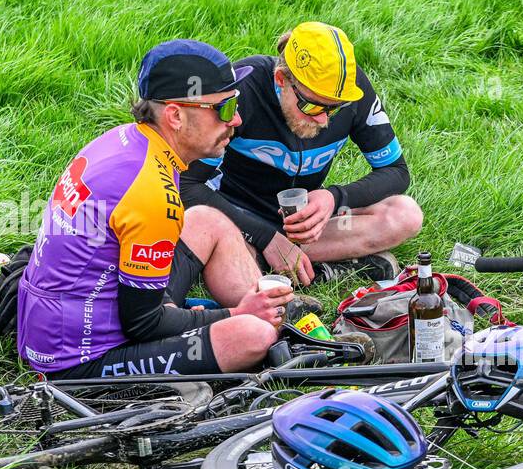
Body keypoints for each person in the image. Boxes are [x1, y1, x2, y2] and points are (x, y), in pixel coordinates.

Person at [17, 40, 293, 379]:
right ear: (175, 115)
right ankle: (267, 321)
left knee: (207, 220)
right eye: (224, 107)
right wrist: (234, 314)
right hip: (78, 358)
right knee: (254, 335)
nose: (236, 119)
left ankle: (274, 313)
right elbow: (144, 323)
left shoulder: (125, 139)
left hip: (59, 319)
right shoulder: (152, 195)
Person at [179, 21, 422, 286]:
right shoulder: (243, 91)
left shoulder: (352, 91)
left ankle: (277, 266)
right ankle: (307, 267)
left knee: (405, 214)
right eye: (312, 106)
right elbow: (188, 184)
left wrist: (334, 197)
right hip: (237, 221)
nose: (323, 121)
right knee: (230, 264)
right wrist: (265, 237)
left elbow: (396, 171)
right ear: (281, 79)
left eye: (335, 109)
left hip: (302, 224)